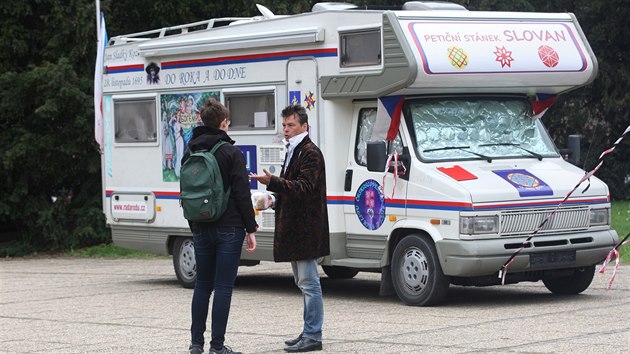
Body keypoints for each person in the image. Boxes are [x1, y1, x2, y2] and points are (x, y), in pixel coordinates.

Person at [250, 104, 330, 352]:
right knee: (303, 282)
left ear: (304, 126)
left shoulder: (310, 153)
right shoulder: (295, 150)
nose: (286, 129)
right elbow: (292, 190)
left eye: (291, 125)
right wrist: (272, 199)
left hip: (306, 228)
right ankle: (308, 331)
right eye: (284, 125)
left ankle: (313, 335)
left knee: (309, 282)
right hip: (296, 227)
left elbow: (304, 187)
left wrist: (273, 181)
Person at [185, 98, 257, 354]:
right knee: (223, 287)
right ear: (224, 123)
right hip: (230, 227)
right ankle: (217, 346)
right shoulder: (230, 152)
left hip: (201, 225)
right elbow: (241, 193)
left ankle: (196, 345)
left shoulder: (190, 149)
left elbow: (187, 189)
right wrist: (251, 228)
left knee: (202, 284)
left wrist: (193, 222)